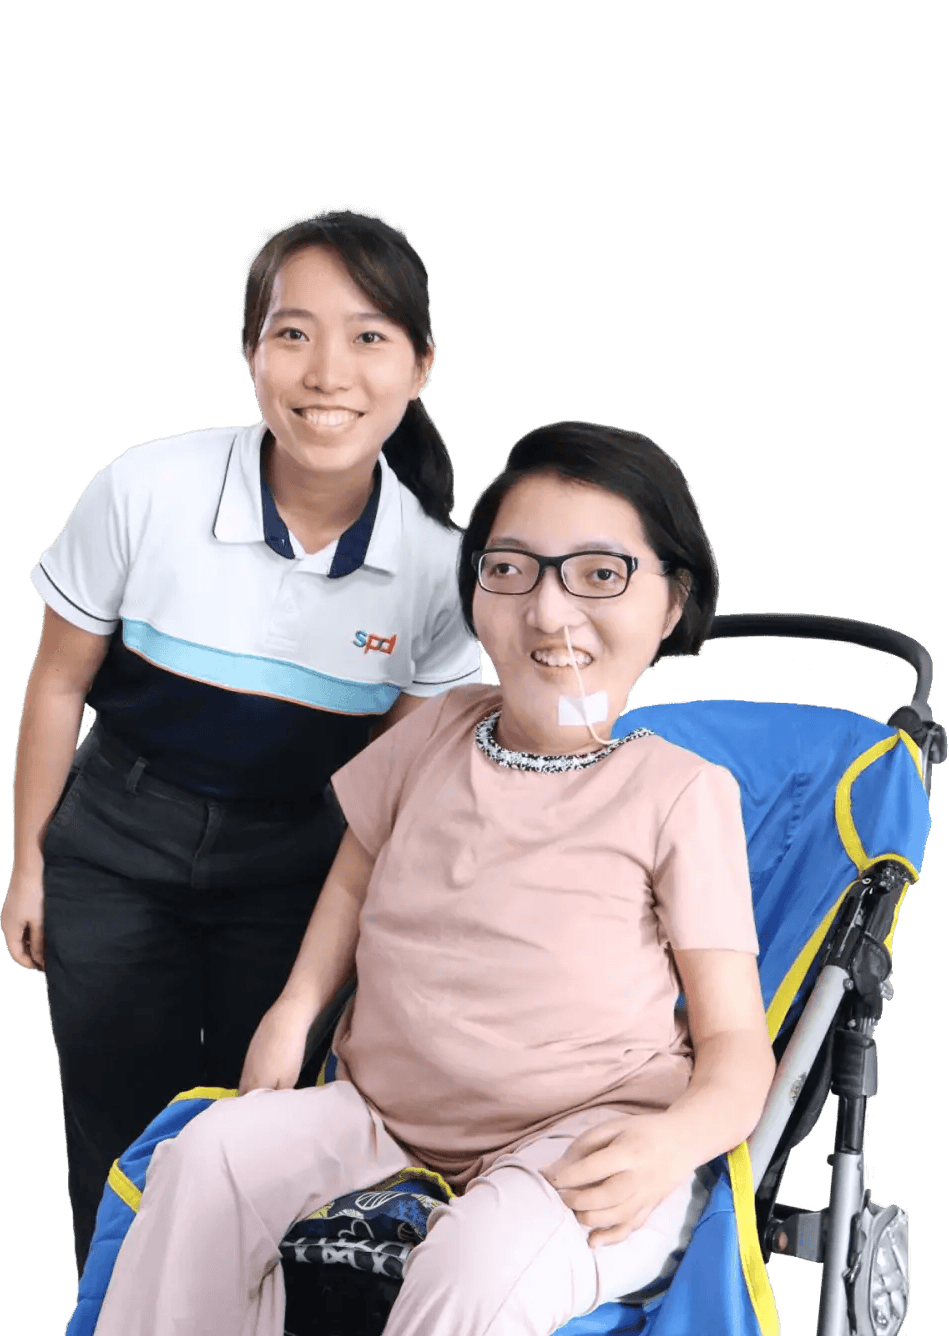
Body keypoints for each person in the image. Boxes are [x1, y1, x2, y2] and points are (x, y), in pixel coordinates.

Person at [89, 421, 776, 1336]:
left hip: (580, 1143)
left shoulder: (679, 794)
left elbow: (736, 1040)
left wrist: (671, 1145)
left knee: (476, 1267)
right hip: (376, 1115)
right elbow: (352, 879)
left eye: (600, 574)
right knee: (206, 1158)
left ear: (670, 602)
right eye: (511, 568)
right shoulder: (439, 729)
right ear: (475, 591)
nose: (548, 611)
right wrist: (295, 1010)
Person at [1, 208, 483, 1274]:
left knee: (273, 1142)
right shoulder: (147, 486)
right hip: (116, 848)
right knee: (119, 1139)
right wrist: (28, 861)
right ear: (252, 352)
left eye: (368, 337)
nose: (327, 372)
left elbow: (398, 797)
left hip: (299, 876)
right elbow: (56, 683)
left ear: (421, 365)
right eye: (292, 332)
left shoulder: (441, 571)